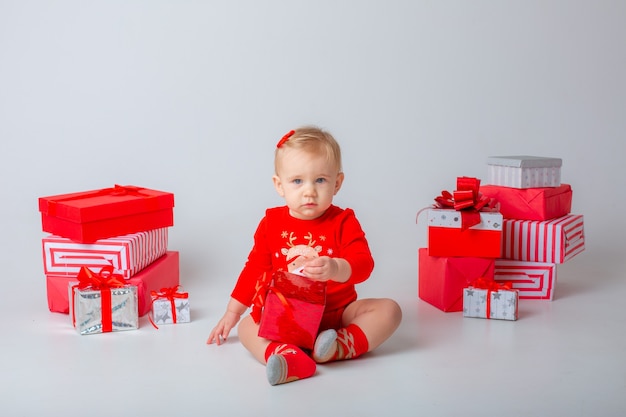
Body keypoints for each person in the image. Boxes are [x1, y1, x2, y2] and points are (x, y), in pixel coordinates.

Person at [207, 126, 402, 385]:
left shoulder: (343, 221)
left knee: (390, 311)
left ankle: (337, 347)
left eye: (320, 180)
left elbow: (364, 264)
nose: (309, 191)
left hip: (338, 315)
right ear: (280, 185)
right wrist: (232, 312)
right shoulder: (271, 223)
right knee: (246, 328)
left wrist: (336, 267)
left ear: (337, 183)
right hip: (287, 318)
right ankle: (284, 355)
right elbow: (254, 269)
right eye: (297, 181)